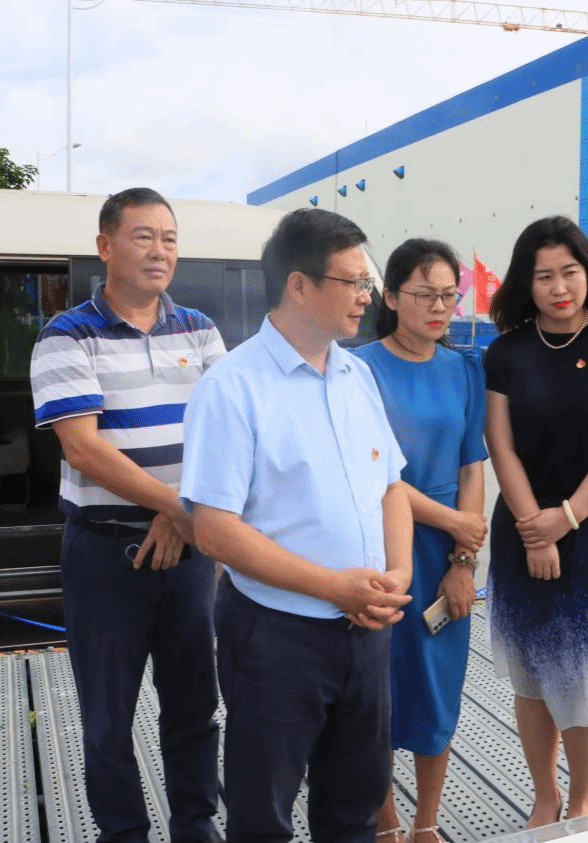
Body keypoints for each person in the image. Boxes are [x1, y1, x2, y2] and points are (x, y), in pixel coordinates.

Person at [180, 208, 414, 843]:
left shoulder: (356, 374)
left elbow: (391, 485)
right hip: (276, 636)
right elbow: (214, 530)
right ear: (299, 284)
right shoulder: (232, 388)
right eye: (354, 281)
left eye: (367, 282)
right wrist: (333, 587)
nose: (367, 296)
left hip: (367, 630)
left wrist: (398, 572)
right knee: (263, 815)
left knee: (355, 808)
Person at [29, 188, 223, 843]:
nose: (160, 250)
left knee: (195, 705)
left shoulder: (198, 327)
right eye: (144, 236)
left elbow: (226, 433)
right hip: (105, 553)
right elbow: (83, 448)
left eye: (169, 238)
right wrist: (176, 505)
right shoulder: (67, 334)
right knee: (108, 717)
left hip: (190, 552)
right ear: (105, 246)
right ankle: (123, 833)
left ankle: (196, 824)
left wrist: (177, 515)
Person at [483, 216, 588, 826]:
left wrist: (567, 518)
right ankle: (544, 795)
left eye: (570, 272)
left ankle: (582, 800)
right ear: (524, 284)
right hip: (523, 526)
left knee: (585, 673)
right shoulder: (505, 352)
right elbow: (500, 446)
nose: (559, 287)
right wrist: (535, 527)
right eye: (544, 276)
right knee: (531, 672)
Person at [351, 239, 488, 843]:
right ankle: (386, 827)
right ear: (389, 297)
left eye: (449, 296)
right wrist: (454, 522)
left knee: (438, 687)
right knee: (375, 689)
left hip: (445, 555)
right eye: (424, 294)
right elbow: (375, 475)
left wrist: (463, 559)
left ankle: (426, 823)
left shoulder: (464, 370)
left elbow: (471, 467)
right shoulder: (356, 369)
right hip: (379, 546)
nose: (439, 308)